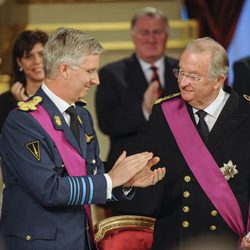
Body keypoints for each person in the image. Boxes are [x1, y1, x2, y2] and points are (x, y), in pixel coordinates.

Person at [0, 27, 165, 250]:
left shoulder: (81, 116)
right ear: (65, 69)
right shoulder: (22, 122)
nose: (96, 80)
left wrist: (125, 181)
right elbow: (49, 190)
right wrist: (111, 179)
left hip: (79, 240)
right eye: (90, 71)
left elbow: (91, 176)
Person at [127, 37, 250, 250]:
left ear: (218, 80)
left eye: (193, 76)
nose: (183, 82)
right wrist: (126, 182)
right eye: (181, 72)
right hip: (176, 240)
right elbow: (136, 169)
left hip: (230, 240)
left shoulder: (246, 114)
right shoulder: (164, 113)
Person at [95, 6, 179, 217]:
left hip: (177, 184)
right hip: (131, 187)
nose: (151, 39)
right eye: (145, 32)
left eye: (157, 32)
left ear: (166, 36)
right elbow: (108, 123)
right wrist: (144, 109)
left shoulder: (183, 71)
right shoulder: (111, 73)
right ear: (133, 37)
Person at [0, 30, 48, 132]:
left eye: (42, 54)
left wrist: (28, 106)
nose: (37, 61)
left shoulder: (62, 98)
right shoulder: (4, 103)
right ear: (19, 62)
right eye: (29, 56)